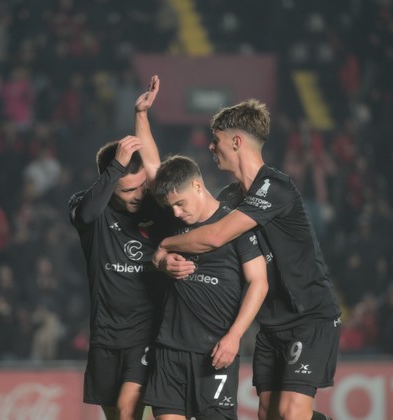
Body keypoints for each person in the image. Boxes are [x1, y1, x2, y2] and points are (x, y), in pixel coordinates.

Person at [153, 99, 341, 420]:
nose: (211, 146)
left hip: (308, 317)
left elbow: (214, 236)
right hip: (270, 324)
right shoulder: (229, 197)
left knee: (291, 412)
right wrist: (163, 261)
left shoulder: (276, 187)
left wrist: (164, 245)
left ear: (236, 141)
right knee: (269, 415)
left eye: (216, 139)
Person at [68, 76, 193, 420]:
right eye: (127, 189)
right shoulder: (89, 211)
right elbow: (86, 213)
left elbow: (154, 169)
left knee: (126, 412)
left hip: (147, 334)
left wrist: (141, 116)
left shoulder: (156, 208)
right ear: (109, 183)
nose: (139, 195)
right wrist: (115, 168)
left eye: (140, 188)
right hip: (104, 337)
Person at [142, 155, 268, 419]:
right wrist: (162, 262)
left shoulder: (234, 224)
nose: (176, 212)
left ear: (197, 186)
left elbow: (259, 282)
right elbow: (151, 166)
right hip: (169, 350)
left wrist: (235, 336)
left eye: (180, 203)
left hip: (215, 351)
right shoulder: (172, 223)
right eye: (170, 206)